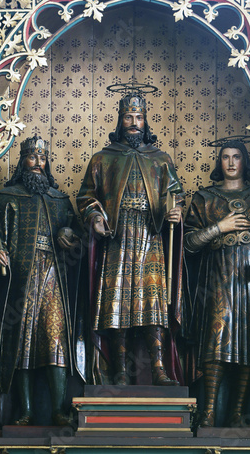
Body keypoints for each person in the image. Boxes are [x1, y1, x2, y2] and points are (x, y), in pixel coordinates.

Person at [77, 91, 185, 386]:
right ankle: (120, 369)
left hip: (150, 236)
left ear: (145, 120)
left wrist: (175, 210)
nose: (134, 123)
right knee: (117, 302)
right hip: (118, 237)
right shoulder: (103, 158)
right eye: (128, 117)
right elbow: (86, 196)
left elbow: (175, 194)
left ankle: (160, 367)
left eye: (138, 117)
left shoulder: (160, 159)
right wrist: (95, 217)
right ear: (120, 120)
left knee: (153, 301)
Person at [184, 140, 250, 427]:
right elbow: (189, 243)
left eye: (236, 157)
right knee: (215, 342)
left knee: (249, 341)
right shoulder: (204, 198)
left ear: (245, 162)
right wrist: (219, 227)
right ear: (219, 162)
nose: (230, 163)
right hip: (216, 279)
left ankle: (238, 411)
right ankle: (208, 411)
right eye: (225, 157)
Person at [0, 135, 83, 426]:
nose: (38, 163)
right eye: (32, 157)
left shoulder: (60, 200)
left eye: (42, 158)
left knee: (55, 340)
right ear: (23, 161)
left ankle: (58, 409)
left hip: (53, 275)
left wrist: (70, 238)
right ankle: (25, 411)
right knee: (22, 343)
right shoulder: (6, 198)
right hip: (21, 277)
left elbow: (76, 235)